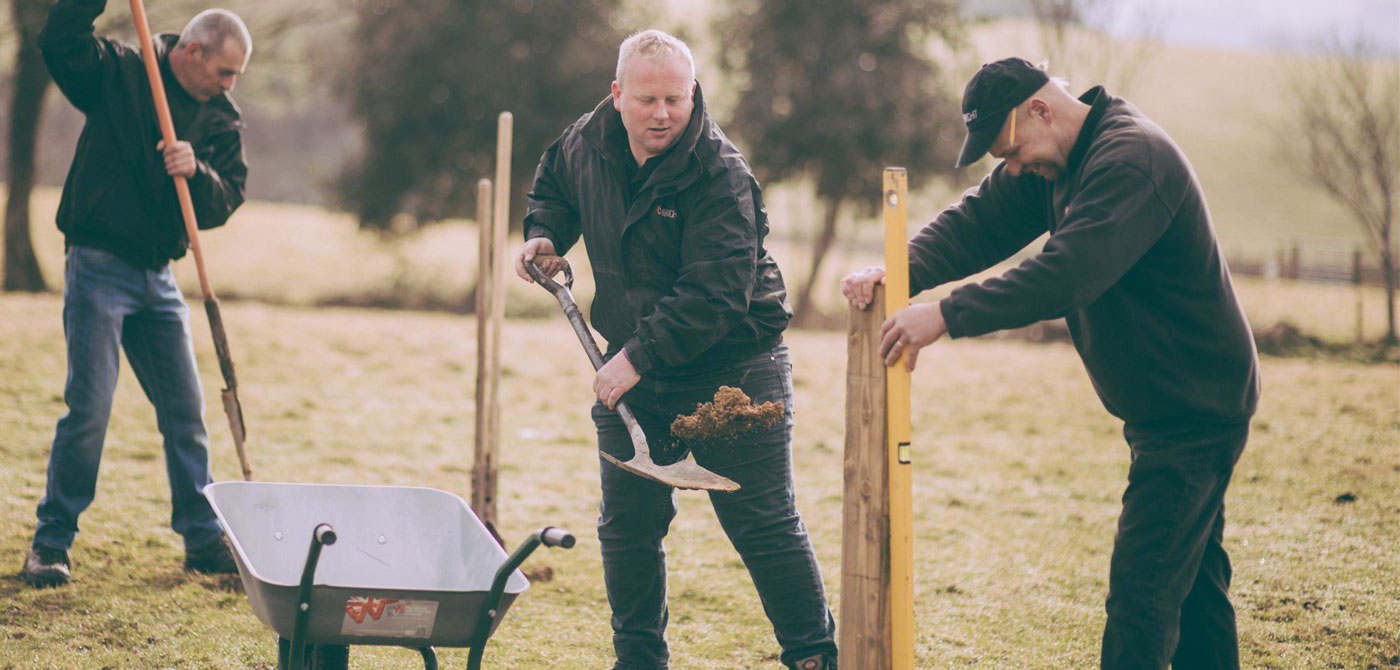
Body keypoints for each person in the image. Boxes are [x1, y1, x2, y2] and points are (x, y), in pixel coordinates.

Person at [840, 58, 1260, 669]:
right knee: (1192, 589)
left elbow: (1068, 272)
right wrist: (899, 272)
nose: (1012, 170)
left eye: (1010, 153)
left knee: (1141, 597)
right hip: (1167, 408)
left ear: (1041, 108)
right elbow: (978, 223)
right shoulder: (1056, 156)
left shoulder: (1130, 161)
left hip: (1194, 413)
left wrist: (947, 314)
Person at [516, 29, 838, 670]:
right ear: (616, 96)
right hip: (635, 361)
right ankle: (638, 662)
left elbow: (716, 293)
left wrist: (633, 358)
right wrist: (544, 234)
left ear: (693, 94)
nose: (662, 113)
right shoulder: (586, 140)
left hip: (733, 370)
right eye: (646, 100)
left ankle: (814, 657)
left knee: (763, 526)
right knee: (627, 529)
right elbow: (553, 185)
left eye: (676, 98)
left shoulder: (720, 172)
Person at [21, 0, 250, 588]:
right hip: (98, 264)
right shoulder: (124, 72)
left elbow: (227, 199)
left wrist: (195, 171)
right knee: (91, 409)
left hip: (159, 277)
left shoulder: (219, 118)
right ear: (191, 51)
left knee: (185, 414)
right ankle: (51, 543)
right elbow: (59, 42)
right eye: (224, 72)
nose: (229, 86)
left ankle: (202, 540)